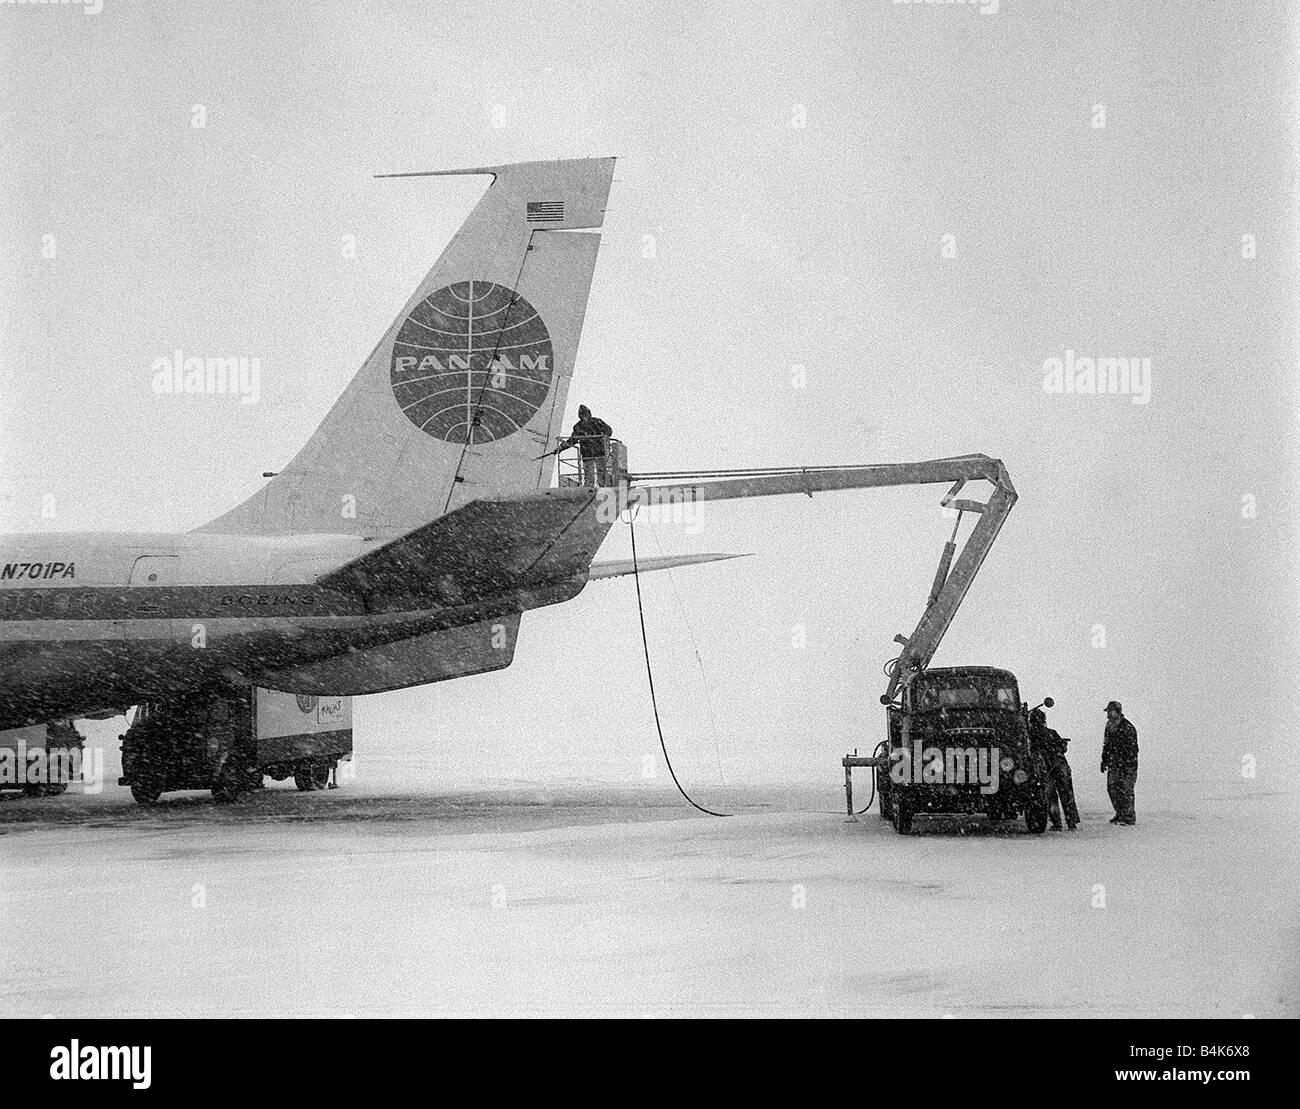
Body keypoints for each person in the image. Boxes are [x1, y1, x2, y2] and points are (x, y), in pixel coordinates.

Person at [1030, 706, 1078, 831]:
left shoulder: (1031, 735)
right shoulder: (1052, 732)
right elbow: (1062, 747)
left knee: (1051, 797)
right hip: (1061, 766)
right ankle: (1071, 822)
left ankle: (1057, 823)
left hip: (1047, 769)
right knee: (1067, 795)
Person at [1100, 700, 1139, 826]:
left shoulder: (1128, 728)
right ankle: (1120, 813)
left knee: (1126, 790)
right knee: (1112, 788)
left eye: (1110, 712)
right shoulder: (1109, 726)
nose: (1108, 716)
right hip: (1114, 764)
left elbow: (1133, 749)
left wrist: (1125, 762)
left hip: (1128, 766)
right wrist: (1104, 760)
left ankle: (1128, 817)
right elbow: (1106, 744)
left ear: (1117, 712)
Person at [558, 405, 612, 486]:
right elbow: (572, 440)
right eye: (583, 415)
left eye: (585, 415)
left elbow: (609, 430)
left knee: (600, 470)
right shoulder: (578, 427)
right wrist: (560, 448)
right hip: (588, 453)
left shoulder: (596, 422)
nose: (584, 417)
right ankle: (590, 486)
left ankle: (602, 485)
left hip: (598, 451)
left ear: (589, 414)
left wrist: (602, 437)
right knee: (589, 472)